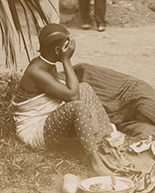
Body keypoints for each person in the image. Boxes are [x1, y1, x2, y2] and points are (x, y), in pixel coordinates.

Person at [11, 24, 117, 176]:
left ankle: (101, 140)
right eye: (67, 46)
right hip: (34, 129)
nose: (71, 48)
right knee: (77, 106)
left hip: (47, 116)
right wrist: (66, 60)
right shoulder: (36, 71)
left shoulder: (48, 62)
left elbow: (71, 90)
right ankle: (96, 164)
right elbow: (72, 96)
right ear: (57, 51)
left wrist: (63, 57)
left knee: (84, 87)